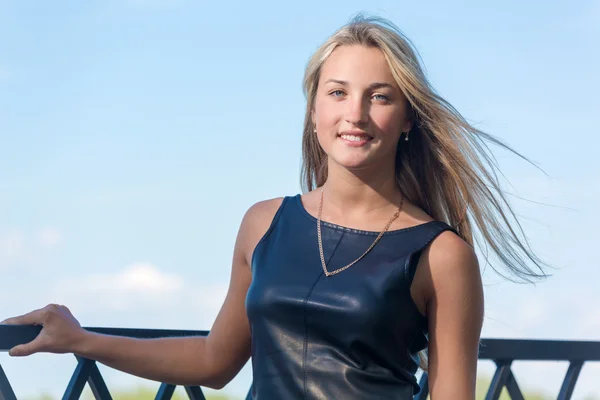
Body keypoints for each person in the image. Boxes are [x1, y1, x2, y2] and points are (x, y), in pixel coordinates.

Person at [1, 15, 546, 399]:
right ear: (313, 110)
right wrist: (82, 340)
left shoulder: (443, 255)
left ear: (407, 120)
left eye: (379, 96)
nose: (354, 113)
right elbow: (215, 362)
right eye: (337, 93)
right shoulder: (263, 223)